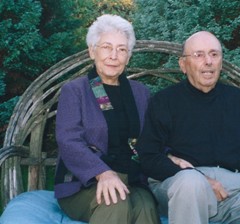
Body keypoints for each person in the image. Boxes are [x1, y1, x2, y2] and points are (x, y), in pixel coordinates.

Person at [136, 31, 240, 224]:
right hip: (179, 188)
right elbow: (148, 157)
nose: (208, 61)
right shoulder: (164, 101)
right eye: (199, 55)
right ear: (183, 65)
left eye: (214, 54)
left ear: (221, 62)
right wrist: (198, 178)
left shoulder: (237, 99)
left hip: (233, 194)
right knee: (191, 184)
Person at [54, 14, 160, 224]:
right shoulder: (75, 91)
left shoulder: (140, 94)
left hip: (132, 180)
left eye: (121, 49)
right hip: (83, 183)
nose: (114, 55)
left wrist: (171, 157)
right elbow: (69, 141)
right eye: (106, 47)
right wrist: (102, 172)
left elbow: (152, 137)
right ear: (92, 51)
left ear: (128, 56)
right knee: (115, 202)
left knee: (146, 208)